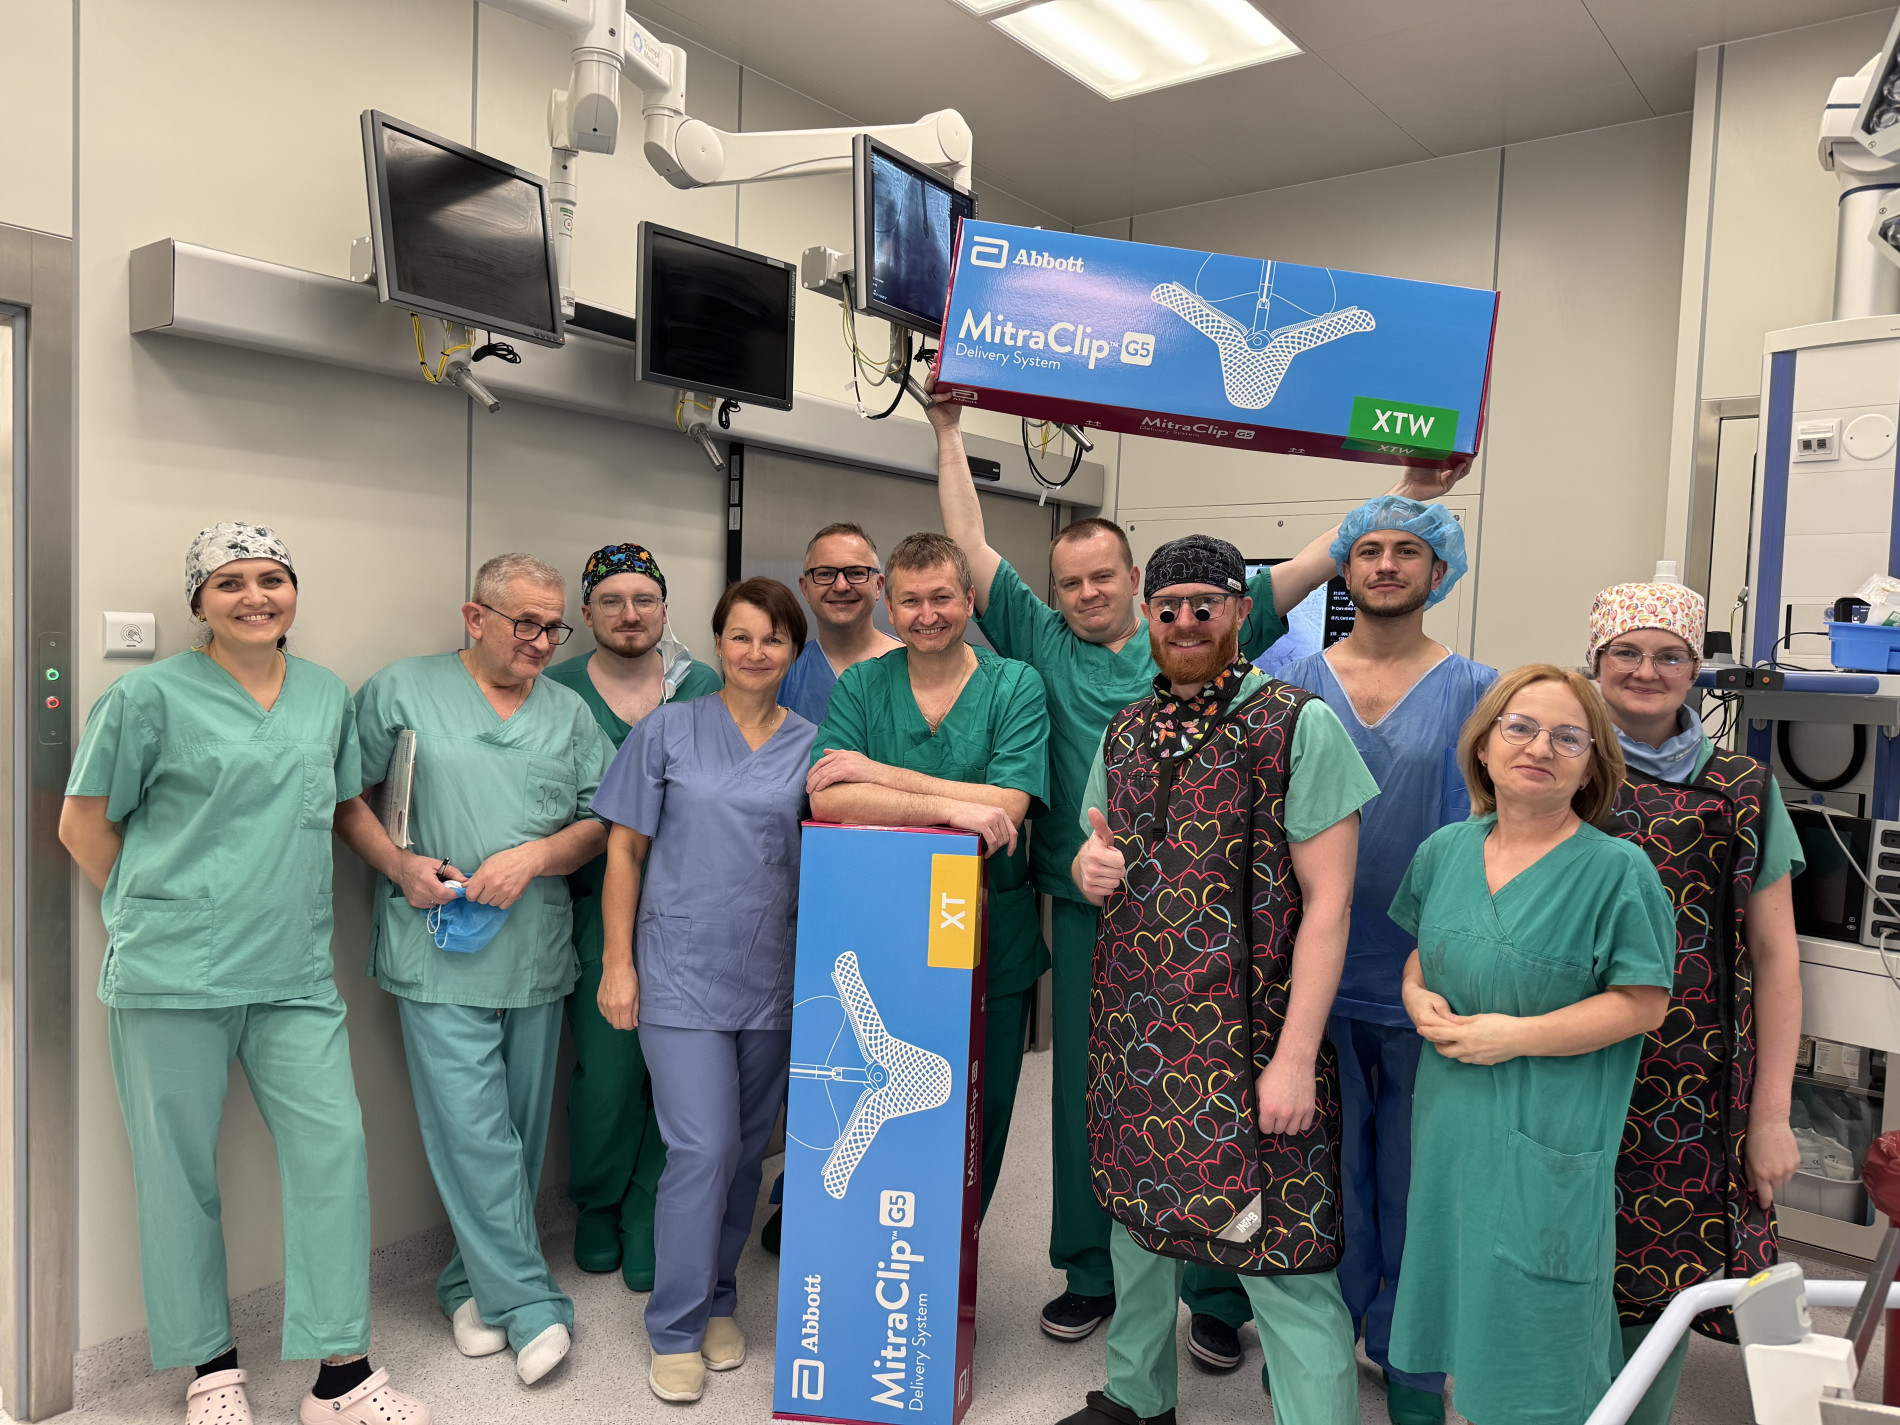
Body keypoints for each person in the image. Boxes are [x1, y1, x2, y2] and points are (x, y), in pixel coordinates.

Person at [928, 391, 1469, 1358]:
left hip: (1229, 916)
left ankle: (1220, 1292)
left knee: (1226, 1100)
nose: (1087, 594)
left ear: (1140, 581)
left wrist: (1408, 492)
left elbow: (1327, 557)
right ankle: (1092, 1272)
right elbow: (969, 546)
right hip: (1097, 908)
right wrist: (947, 432)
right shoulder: (1047, 644)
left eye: (1103, 576)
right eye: (1070, 582)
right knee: (1096, 1099)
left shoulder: (1211, 632)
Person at [59, 523, 430, 1425]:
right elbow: (82, 825)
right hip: (170, 975)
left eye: (272, 578)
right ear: (199, 600)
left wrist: (400, 863)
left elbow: (341, 803)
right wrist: (156, 916)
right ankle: (212, 1369)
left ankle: (342, 1373)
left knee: (333, 1153)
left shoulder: (323, 694)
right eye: (230, 582)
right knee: (177, 1170)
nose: (255, 596)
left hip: (293, 969)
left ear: (293, 591)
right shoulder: (146, 697)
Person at [1063, 533, 1377, 1425]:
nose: (1187, 621)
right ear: (1147, 617)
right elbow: (1096, 849)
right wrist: (1090, 868)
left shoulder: (1295, 725)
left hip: (1253, 1040)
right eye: (1169, 609)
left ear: (1241, 611)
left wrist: (1295, 1058)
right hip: (1139, 1035)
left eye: (1206, 604)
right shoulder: (1126, 730)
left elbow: (1330, 906)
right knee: (1137, 1221)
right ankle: (1135, 1397)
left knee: (1283, 1251)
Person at [335, 553, 613, 1388]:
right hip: (437, 943)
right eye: (525, 622)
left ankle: (467, 1282)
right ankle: (528, 1302)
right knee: (472, 1129)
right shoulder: (402, 689)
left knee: (518, 1132)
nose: (541, 641)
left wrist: (536, 856)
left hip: (534, 947)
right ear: (475, 616)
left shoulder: (567, 712)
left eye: (554, 627)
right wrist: (398, 865)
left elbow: (602, 818)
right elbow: (346, 797)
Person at [1387, 665, 1676, 1425]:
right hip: (1453, 1131)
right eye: (1519, 727)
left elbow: (1644, 1002)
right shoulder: (1445, 851)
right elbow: (1426, 951)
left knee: (1539, 1345)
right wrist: (1415, 994)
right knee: (1463, 1317)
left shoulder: (1617, 872)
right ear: (1483, 746)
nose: (1540, 747)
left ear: (1592, 765)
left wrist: (1516, 1037)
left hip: (1549, 1134)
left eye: (1567, 737)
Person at [1275, 496, 1494, 1425]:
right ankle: (1316, 1355)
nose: (1387, 564)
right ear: (1344, 567)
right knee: (1320, 1185)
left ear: (1439, 571)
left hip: (1425, 981)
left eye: (1409, 550)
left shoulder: (1481, 692)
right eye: (1368, 549)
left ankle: (1412, 1366)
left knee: (1418, 1185)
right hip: (1304, 980)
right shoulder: (1290, 680)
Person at [590, 578, 819, 1405]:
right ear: (718, 642)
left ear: (794, 653)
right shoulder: (667, 730)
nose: (756, 652)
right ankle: (677, 1324)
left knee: (747, 1149)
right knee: (703, 1147)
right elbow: (624, 851)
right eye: (741, 636)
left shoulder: (813, 745)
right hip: (678, 970)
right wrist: (619, 964)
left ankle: (721, 1294)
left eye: (774, 639)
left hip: (772, 974)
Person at [1584, 579, 1804, 1425]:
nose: (1647, 670)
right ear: (1595, 660)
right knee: (1554, 1265)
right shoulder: (1560, 765)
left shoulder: (1741, 786)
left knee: (1660, 1281)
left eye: (1668, 654)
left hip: (1690, 1084)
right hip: (1565, 1056)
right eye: (1626, 652)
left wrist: (1771, 1114)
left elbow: (1776, 956)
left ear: (1695, 669)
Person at [806, 531, 1050, 1214]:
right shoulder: (863, 685)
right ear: (889, 605)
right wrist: (951, 806)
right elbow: (829, 799)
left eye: (942, 597)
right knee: (889, 1112)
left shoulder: (1014, 685)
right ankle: (880, 1241)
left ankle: (958, 1248)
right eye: (911, 601)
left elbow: (1008, 807)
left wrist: (879, 773)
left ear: (969, 599)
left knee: (980, 1110)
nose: (927, 614)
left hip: (990, 935)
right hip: (884, 934)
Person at [546, 542, 721, 1291]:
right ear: (586, 613)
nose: (629, 613)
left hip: (695, 909)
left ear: (664, 608)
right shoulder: (554, 688)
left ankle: (649, 1204)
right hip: (595, 908)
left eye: (644, 599)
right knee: (608, 1073)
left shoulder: (702, 686)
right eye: (611, 601)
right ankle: (598, 1201)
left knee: (679, 1074)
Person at [777, 521, 902, 726]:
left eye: (856, 573)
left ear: (879, 586)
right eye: (825, 574)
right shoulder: (783, 674)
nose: (841, 586)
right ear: (805, 588)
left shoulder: (915, 664)